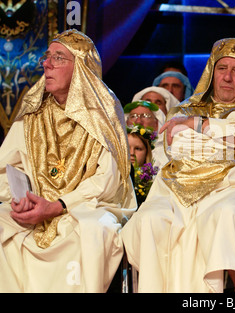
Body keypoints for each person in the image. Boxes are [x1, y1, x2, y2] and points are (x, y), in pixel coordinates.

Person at [121, 37, 235, 293]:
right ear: (212, 72)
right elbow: (180, 146)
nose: (227, 77)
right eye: (222, 69)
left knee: (224, 214)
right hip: (177, 187)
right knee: (152, 219)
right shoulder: (185, 110)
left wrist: (201, 126)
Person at [0, 29, 137, 292]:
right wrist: (22, 198)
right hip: (36, 206)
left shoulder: (104, 113)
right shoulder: (34, 111)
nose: (47, 64)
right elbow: (6, 168)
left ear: (82, 68)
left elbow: (108, 180)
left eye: (59, 57)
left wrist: (59, 205)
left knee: (92, 229)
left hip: (89, 205)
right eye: (47, 56)